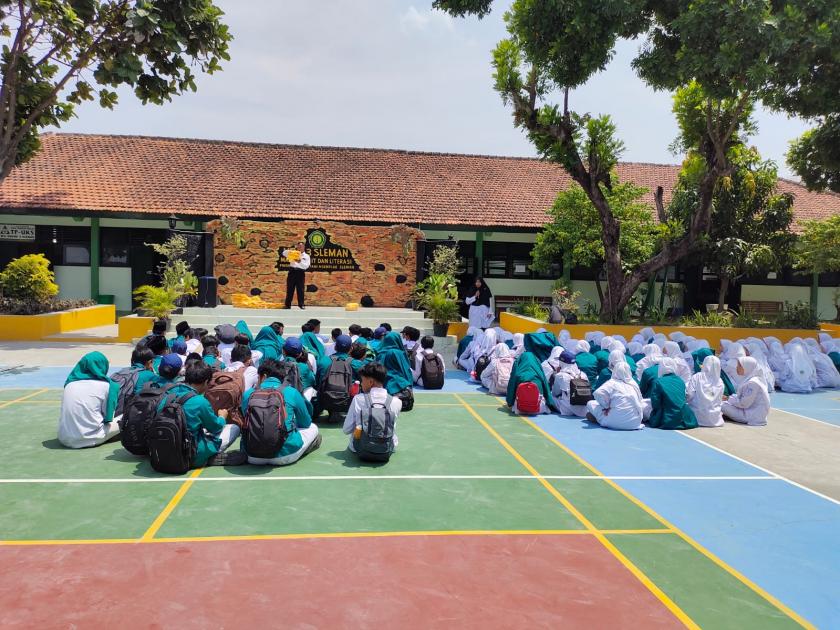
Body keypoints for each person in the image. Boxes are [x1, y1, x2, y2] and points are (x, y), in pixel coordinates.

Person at [239, 359, 321, 465]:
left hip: (252, 456)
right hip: (285, 455)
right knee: (313, 427)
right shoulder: (292, 392)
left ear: (263, 376)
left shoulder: (248, 394)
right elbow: (305, 423)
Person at [162, 361, 243, 467]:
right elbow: (216, 427)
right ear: (206, 382)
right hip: (191, 455)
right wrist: (222, 417)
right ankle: (208, 457)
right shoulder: (200, 401)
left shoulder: (167, 395)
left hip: (164, 453)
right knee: (234, 428)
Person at [58, 352, 122, 448]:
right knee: (126, 417)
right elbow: (108, 418)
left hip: (64, 438)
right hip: (92, 438)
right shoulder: (107, 386)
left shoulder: (69, 384)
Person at [343, 362, 401, 456]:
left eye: (362, 380)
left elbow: (346, 429)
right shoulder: (396, 402)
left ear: (370, 382)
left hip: (360, 448)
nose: (361, 384)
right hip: (387, 448)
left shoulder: (358, 399)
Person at [585, 362, 644, 430]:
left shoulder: (612, 383)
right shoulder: (633, 384)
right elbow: (640, 401)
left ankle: (599, 418)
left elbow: (597, 393)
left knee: (590, 403)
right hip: (634, 424)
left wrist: (606, 406)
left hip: (614, 423)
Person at [646, 359, 699, 430]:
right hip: (684, 418)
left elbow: (655, 403)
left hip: (667, 418)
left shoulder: (658, 382)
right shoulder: (680, 380)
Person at [721, 357, 771, 426]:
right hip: (752, 412)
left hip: (752, 416)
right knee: (725, 402)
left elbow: (744, 404)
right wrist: (728, 398)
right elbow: (742, 398)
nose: (737, 367)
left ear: (747, 367)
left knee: (721, 405)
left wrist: (728, 399)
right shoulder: (751, 379)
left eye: (740, 366)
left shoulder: (753, 383)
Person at [686, 355, 724, 427]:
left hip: (697, 416)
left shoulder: (697, 376)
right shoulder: (720, 381)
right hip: (715, 419)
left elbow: (689, 395)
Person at [549, 350, 590, 418]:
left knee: (550, 396)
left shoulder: (561, 375)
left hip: (568, 410)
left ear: (562, 362)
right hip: (583, 410)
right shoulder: (583, 374)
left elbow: (555, 393)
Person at [376, 331, 415, 398]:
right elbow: (406, 371)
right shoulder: (399, 353)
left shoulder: (380, 354)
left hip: (381, 387)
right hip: (399, 386)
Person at [283, 337, 318, 401]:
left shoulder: (276, 365)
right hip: (297, 400)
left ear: (283, 351)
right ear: (300, 354)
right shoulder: (304, 367)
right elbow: (312, 381)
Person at [283, 240, 311, 309]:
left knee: (300, 289)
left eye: (301, 246)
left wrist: (299, 261)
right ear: (297, 247)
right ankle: (287, 304)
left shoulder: (306, 256)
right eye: (299, 246)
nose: (300, 248)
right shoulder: (293, 253)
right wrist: (291, 251)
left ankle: (301, 304)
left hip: (300, 272)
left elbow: (306, 266)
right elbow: (284, 253)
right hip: (292, 272)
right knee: (290, 288)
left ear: (304, 247)